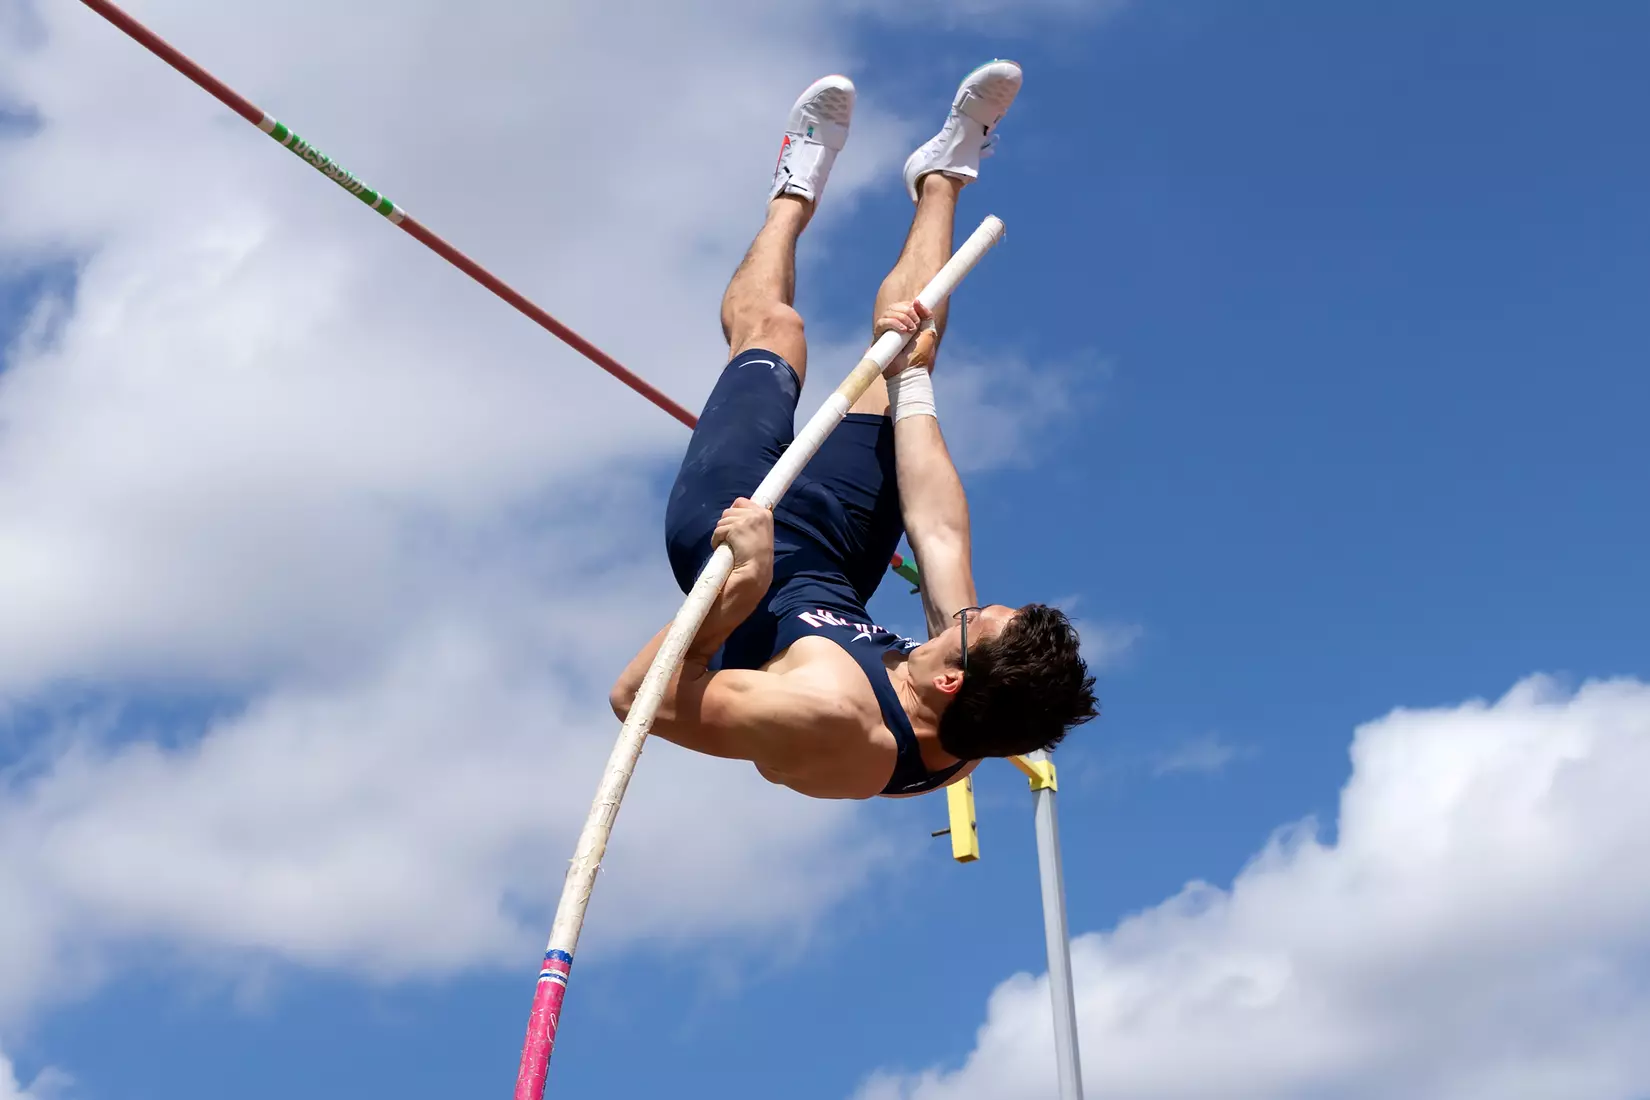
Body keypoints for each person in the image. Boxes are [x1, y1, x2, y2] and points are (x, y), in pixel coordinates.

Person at [611, 61, 1098, 800]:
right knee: (911, 352)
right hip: (833, 561)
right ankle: (943, 174)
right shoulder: (979, 709)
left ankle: (790, 195)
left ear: (948, 676)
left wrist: (738, 587)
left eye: (970, 625)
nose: (965, 614)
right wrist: (907, 385)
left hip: (735, 540)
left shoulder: (829, 720)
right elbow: (937, 530)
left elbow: (641, 698)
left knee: (777, 329)